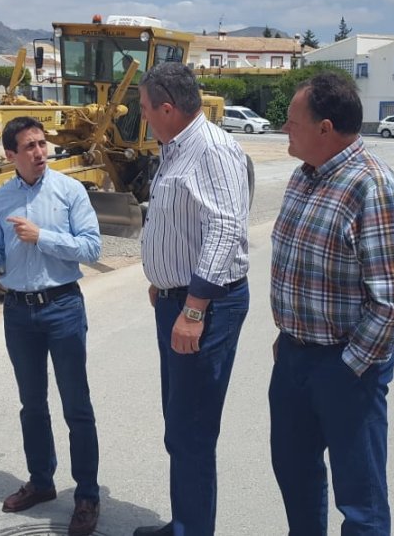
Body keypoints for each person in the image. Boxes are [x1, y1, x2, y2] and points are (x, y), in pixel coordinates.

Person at [269, 73, 394, 535]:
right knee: (296, 476)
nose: (284, 129)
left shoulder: (373, 189)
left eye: (292, 121)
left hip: (346, 367)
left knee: (360, 500)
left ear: (325, 128)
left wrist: (347, 365)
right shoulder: (304, 177)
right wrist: (288, 338)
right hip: (295, 357)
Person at [134, 62, 251, 536]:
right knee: (180, 427)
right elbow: (186, 223)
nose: (141, 116)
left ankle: (192, 530)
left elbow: (225, 229)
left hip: (204, 306)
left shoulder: (212, 149)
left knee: (192, 430)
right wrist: (162, 279)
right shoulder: (175, 147)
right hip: (178, 300)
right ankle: (186, 523)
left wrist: (193, 307)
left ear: (167, 108)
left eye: (143, 109)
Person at [0, 117, 103, 536]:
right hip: (19, 310)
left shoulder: (69, 191)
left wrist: (42, 236)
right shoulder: (1, 198)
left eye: (42, 143)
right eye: (29, 146)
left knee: (76, 406)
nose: (40, 152)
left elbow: (91, 247)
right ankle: (42, 483)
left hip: (62, 305)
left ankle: (86, 495)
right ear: (11, 155)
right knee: (32, 405)